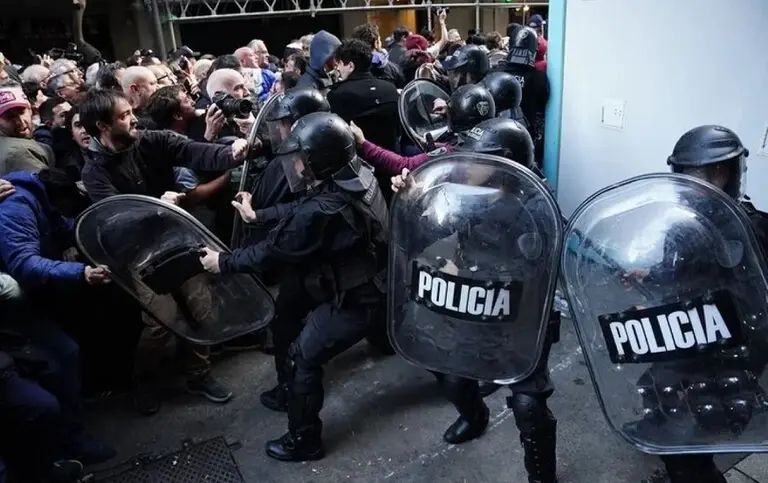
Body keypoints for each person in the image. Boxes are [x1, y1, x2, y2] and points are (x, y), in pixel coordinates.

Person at [200, 112, 388, 462]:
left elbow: (276, 248)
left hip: (357, 298)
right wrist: (261, 216)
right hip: (372, 280)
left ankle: (303, 440)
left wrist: (222, 263)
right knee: (293, 312)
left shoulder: (325, 207)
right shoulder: (354, 174)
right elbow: (304, 208)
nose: (296, 165)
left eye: (301, 158)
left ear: (320, 159)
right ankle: (385, 338)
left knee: (304, 356)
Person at [390, 118, 560, 483]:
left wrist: (475, 274)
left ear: (505, 165)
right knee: (453, 378)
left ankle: (542, 477)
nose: (466, 165)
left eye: (477, 161)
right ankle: (474, 415)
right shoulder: (468, 191)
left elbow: (537, 274)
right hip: (470, 303)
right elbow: (434, 227)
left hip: (520, 315)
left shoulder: (536, 206)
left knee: (528, 406)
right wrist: (412, 194)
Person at [658, 124, 764, 482]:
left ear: (725, 174)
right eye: (685, 174)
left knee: (691, 449)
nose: (691, 185)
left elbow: (753, 312)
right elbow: (670, 275)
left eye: (701, 175)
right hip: (679, 343)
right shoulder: (681, 226)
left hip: (721, 357)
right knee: (655, 394)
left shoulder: (753, 230)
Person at [502, 24, 549, 168]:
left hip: (498, 138)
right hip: (526, 141)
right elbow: (542, 108)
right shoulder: (540, 78)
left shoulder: (496, 72)